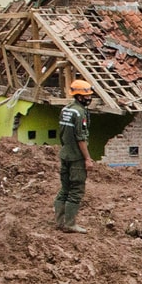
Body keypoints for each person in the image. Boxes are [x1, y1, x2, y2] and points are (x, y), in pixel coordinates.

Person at [54, 80, 95, 233]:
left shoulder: (65, 110)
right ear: (79, 96)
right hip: (76, 157)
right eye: (86, 95)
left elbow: (62, 133)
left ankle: (59, 222)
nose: (89, 98)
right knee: (76, 190)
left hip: (65, 154)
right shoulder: (79, 112)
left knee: (64, 189)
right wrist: (87, 158)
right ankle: (69, 224)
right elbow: (81, 138)